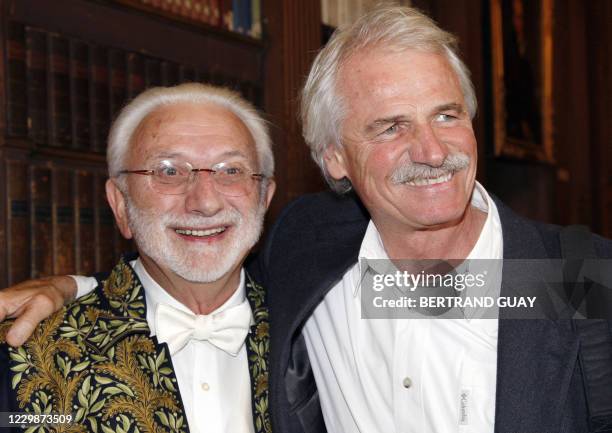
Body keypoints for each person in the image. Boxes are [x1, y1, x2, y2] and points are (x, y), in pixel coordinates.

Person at [1, 5, 611, 433]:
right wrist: (73, 289)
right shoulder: (311, 248)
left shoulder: (577, 280)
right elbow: (194, 264)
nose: (431, 151)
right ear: (335, 160)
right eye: (390, 126)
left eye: (446, 115)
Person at [0, 83, 275, 433]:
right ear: (121, 205)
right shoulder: (24, 349)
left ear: (264, 197)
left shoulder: (312, 329)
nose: (205, 202)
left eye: (231, 170)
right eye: (169, 171)